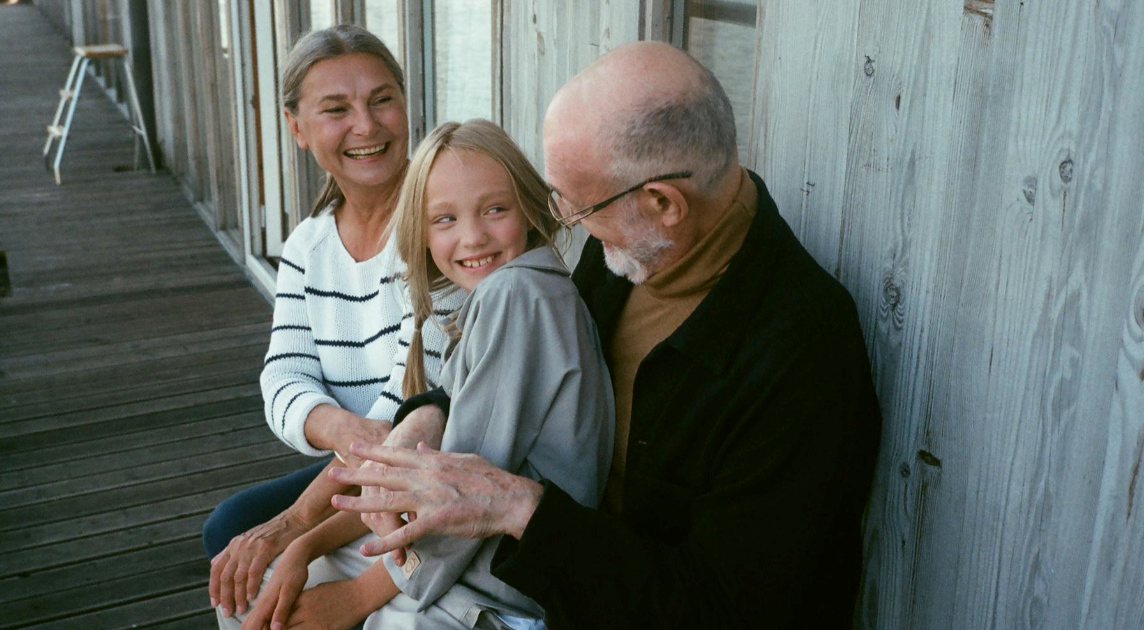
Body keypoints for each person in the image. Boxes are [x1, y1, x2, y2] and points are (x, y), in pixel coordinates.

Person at [330, 42, 883, 629]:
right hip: (531, 577)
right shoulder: (630, 251)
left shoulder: (802, 354)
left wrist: (522, 510)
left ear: (664, 202)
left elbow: (729, 608)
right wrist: (429, 414)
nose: (565, 221)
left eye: (576, 205)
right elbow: (521, 376)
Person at [220, 119, 614, 630]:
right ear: (421, 234)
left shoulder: (519, 296)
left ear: (531, 208)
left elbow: (459, 502)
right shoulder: (490, 302)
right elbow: (414, 482)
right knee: (258, 587)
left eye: (496, 209)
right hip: (441, 563)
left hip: (493, 589)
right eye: (444, 219)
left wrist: (354, 599)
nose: (473, 236)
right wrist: (303, 544)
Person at [203, 24, 457, 618]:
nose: (366, 127)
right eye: (336, 109)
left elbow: (409, 407)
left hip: (434, 456)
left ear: (406, 104)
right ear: (297, 128)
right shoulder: (308, 244)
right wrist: (342, 430)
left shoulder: (444, 227)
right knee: (230, 532)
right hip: (359, 460)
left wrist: (294, 524)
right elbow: (283, 379)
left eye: (382, 100)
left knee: (259, 546)